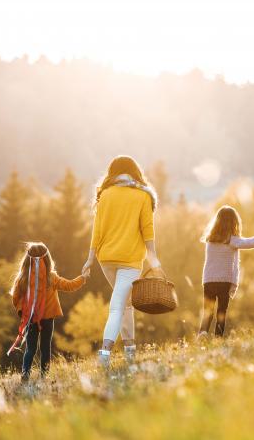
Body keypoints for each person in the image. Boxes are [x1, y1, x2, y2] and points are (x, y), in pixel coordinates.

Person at [82, 155, 162, 367]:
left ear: (113, 173)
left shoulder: (105, 194)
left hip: (105, 258)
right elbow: (148, 231)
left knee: (126, 304)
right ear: (135, 171)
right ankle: (105, 354)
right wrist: (155, 261)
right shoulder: (142, 196)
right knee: (119, 306)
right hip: (130, 260)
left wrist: (90, 259)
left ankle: (129, 352)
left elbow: (96, 231)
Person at [9, 242, 86, 382]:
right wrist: (83, 278)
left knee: (30, 348)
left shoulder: (22, 278)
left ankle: (25, 373)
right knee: (45, 347)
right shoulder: (52, 277)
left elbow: (15, 297)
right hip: (48, 319)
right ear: (47, 259)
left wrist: (22, 311)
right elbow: (69, 285)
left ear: (27, 260)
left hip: (31, 318)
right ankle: (44, 375)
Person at [198, 205, 254, 337]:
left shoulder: (210, 240)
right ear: (234, 223)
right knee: (221, 312)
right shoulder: (231, 240)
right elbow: (252, 242)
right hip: (223, 282)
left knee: (207, 312)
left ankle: (202, 334)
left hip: (208, 281)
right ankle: (218, 339)